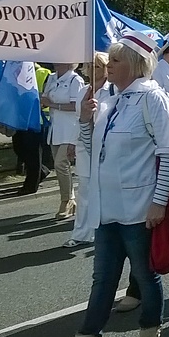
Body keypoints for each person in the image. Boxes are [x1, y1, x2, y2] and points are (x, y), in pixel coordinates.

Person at [58, 31, 169, 337]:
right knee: (102, 280)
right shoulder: (110, 100)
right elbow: (89, 149)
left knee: (144, 276)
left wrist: (158, 202)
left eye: (115, 60)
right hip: (105, 207)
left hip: (139, 209)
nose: (106, 66)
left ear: (134, 64)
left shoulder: (152, 98)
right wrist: (85, 118)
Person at [63, 53, 111, 248]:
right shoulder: (84, 90)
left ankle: (104, 230)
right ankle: (81, 233)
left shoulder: (113, 91)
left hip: (105, 147)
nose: (93, 70)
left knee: (104, 190)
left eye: (98, 67)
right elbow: (79, 119)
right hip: (84, 146)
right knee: (84, 189)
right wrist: (72, 142)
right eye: (90, 66)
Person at [41, 63, 85, 220]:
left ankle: (66, 201)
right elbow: (45, 97)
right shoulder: (52, 78)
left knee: (61, 163)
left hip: (71, 128)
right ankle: (70, 199)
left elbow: (76, 106)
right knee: (59, 166)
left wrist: (52, 104)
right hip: (55, 128)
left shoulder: (75, 80)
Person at [17, 63, 55, 195]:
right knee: (19, 148)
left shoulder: (44, 73)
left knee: (33, 153)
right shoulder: (18, 72)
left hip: (38, 118)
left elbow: (49, 95)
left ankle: (31, 185)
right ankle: (42, 171)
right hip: (23, 117)